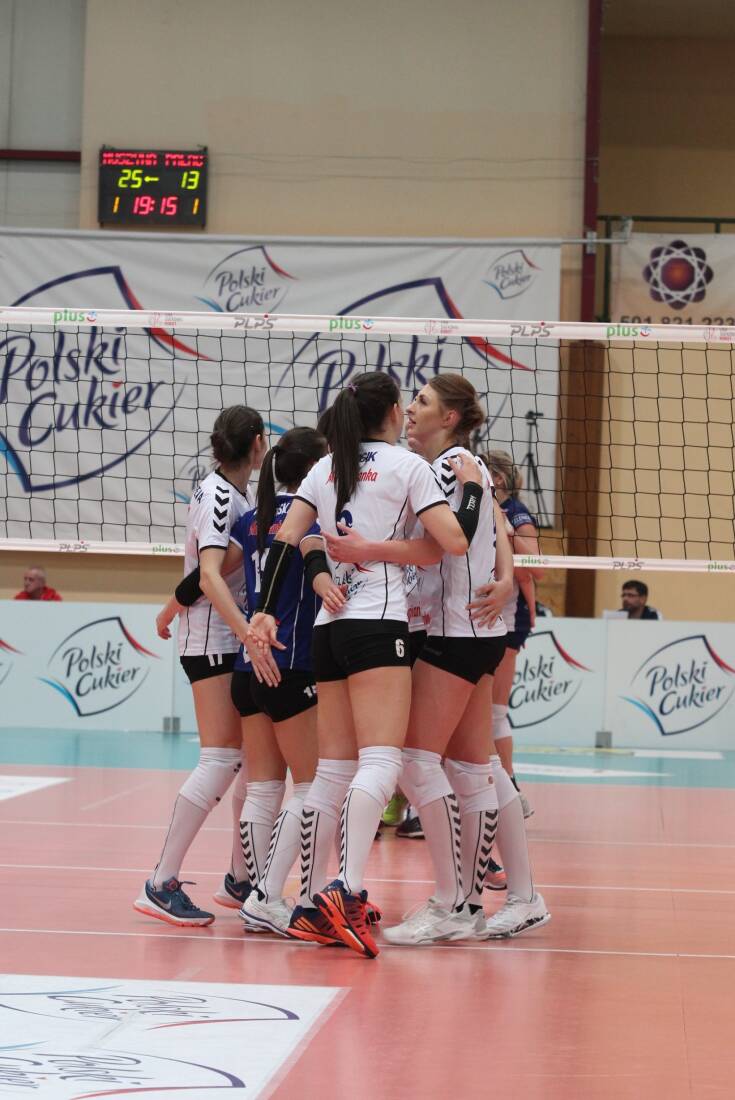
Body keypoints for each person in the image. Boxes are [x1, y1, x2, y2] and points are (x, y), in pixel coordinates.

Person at [248, 371, 475, 958]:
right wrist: (473, 492)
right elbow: (453, 542)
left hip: (328, 628)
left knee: (331, 772)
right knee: (381, 760)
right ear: (394, 411)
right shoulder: (407, 467)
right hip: (378, 624)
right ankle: (344, 889)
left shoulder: (325, 468)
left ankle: (307, 903)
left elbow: (286, 538)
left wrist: (265, 610)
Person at [326, 375, 550, 943]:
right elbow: (497, 522)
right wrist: (506, 577)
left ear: (449, 417)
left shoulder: (450, 465)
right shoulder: (450, 465)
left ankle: (456, 903)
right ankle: (520, 897)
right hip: (470, 627)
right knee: (478, 766)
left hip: (455, 629)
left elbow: (457, 537)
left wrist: (366, 549)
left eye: (423, 402)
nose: (411, 410)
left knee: (415, 759)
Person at [174, 427, 346, 936]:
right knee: (313, 787)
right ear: (315, 468)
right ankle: (284, 895)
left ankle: (256, 895)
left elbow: (205, 575)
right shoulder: (309, 519)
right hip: (291, 664)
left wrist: (169, 607)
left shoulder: (251, 518)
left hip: (249, 668)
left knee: (264, 788)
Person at [135, 406, 269, 928]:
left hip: (223, 635)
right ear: (257, 444)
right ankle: (160, 882)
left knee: (248, 759)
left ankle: (240, 877)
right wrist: (246, 631)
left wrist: (170, 608)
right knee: (221, 757)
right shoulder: (216, 495)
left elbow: (205, 575)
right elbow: (210, 577)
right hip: (213, 638)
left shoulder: (238, 495)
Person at [481, 450, 545, 822]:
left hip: (505, 620)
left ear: (498, 480)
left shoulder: (516, 512)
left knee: (493, 710)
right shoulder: (476, 507)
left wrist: (505, 526)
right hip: (477, 615)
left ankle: (511, 790)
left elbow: (534, 568)